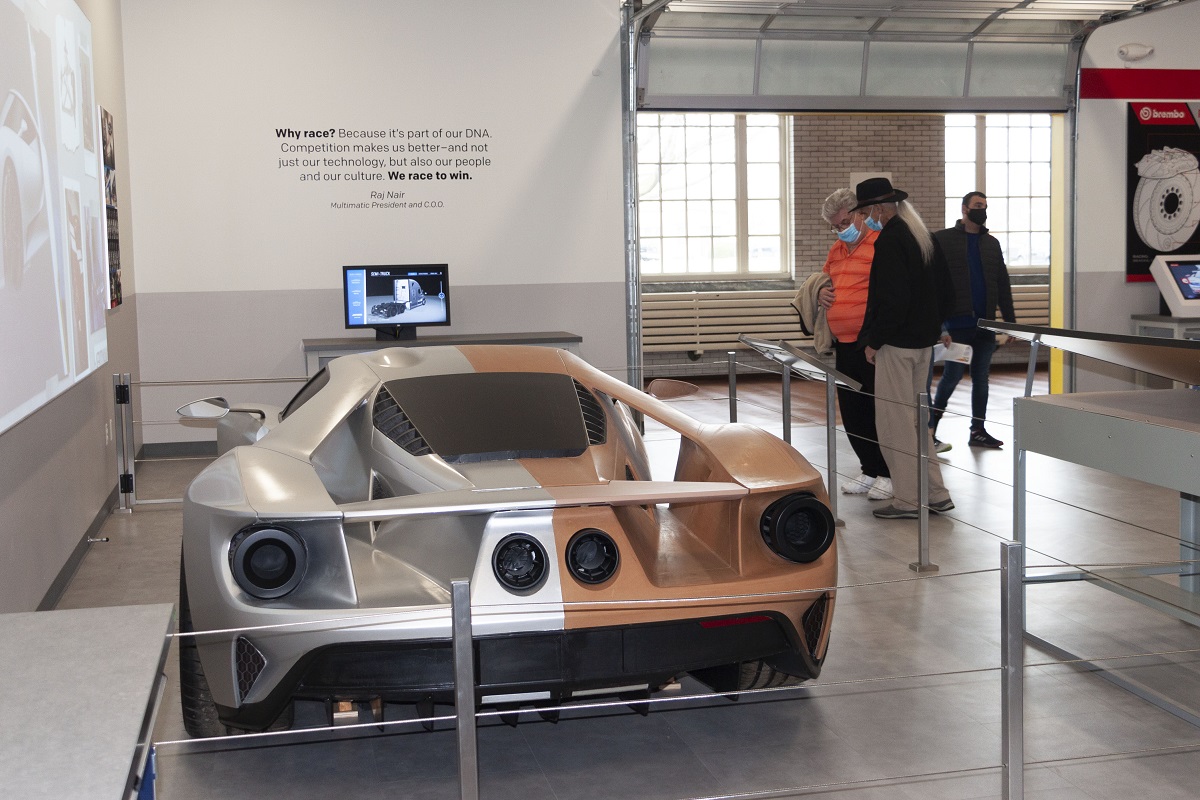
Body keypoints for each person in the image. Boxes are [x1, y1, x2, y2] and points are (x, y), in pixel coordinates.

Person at [853, 177, 956, 520]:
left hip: (897, 345)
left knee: (895, 423)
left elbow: (891, 300)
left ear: (879, 209)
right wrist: (931, 329)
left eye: (868, 211)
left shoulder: (892, 239)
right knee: (917, 420)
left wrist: (874, 340)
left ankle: (909, 500)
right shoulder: (922, 235)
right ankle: (935, 494)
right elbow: (946, 293)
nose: (868, 217)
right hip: (923, 345)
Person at [813, 188, 892, 500]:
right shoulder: (837, 249)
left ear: (860, 214)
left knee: (876, 409)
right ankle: (868, 469)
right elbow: (824, 281)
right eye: (835, 226)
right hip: (843, 344)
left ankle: (887, 472)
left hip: (871, 344)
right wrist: (820, 294)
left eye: (844, 221)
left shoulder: (879, 245)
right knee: (852, 410)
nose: (840, 229)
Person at [928, 191, 1016, 450]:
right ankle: (930, 430)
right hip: (957, 326)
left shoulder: (991, 244)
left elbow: (1002, 284)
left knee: (982, 378)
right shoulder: (943, 240)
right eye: (978, 205)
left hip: (985, 326)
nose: (982, 210)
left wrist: (1009, 322)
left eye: (985, 206)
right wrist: (941, 326)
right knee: (952, 376)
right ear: (964, 209)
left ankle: (978, 430)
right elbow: (934, 285)